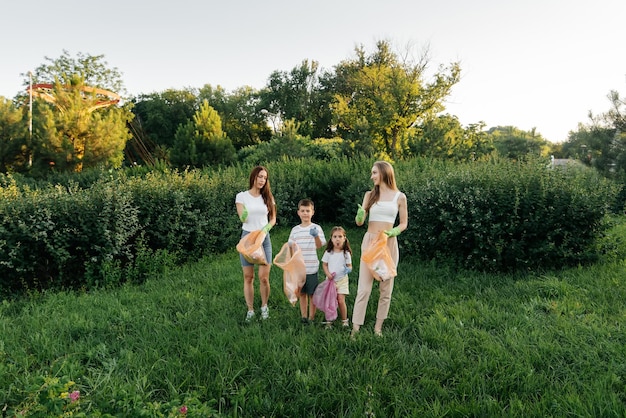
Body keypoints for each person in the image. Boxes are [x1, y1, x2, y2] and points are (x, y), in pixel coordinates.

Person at [351, 161, 408, 337]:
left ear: (384, 173)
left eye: (374, 173)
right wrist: (360, 216)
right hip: (370, 243)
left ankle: (378, 328)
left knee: (386, 288)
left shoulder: (400, 197)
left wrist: (393, 231)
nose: (372, 176)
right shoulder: (369, 195)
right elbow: (360, 223)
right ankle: (355, 329)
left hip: (388, 244)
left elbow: (404, 223)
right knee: (364, 288)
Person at [235, 166, 277, 322]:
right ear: (253, 177)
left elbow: (273, 219)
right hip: (248, 239)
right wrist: (244, 214)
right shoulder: (241, 196)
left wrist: (266, 229)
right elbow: (242, 217)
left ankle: (264, 307)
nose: (262, 180)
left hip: (264, 238)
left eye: (265, 178)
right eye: (260, 176)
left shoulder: (268, 197)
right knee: (248, 276)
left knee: (264, 277)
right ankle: (250, 310)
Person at [288, 199, 326, 325]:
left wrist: (315, 236)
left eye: (307, 211)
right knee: (302, 293)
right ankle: (304, 317)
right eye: (303, 211)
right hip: (299, 269)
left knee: (312, 294)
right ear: (298, 213)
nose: (305, 213)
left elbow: (320, 245)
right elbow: (291, 248)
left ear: (312, 212)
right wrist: (291, 247)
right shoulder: (295, 230)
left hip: (312, 267)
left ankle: (312, 317)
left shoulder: (317, 228)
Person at [321, 226, 353, 328]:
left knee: (340, 300)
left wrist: (348, 269)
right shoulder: (328, 252)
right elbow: (324, 264)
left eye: (340, 236)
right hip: (330, 281)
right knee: (330, 301)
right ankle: (329, 321)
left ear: (344, 238)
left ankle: (344, 320)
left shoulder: (346, 253)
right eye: (335, 236)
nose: (337, 239)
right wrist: (328, 274)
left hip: (342, 280)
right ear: (331, 239)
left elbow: (349, 266)